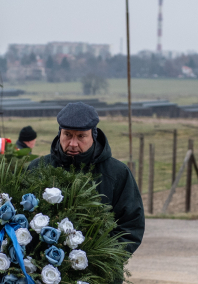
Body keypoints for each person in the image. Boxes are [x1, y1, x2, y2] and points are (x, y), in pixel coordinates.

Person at [28, 102, 144, 254]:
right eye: (67, 135)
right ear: (59, 134)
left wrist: (104, 260)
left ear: (93, 136)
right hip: (41, 272)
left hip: (98, 274)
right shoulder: (37, 169)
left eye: (81, 136)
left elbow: (130, 226)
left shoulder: (117, 173)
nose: (73, 143)